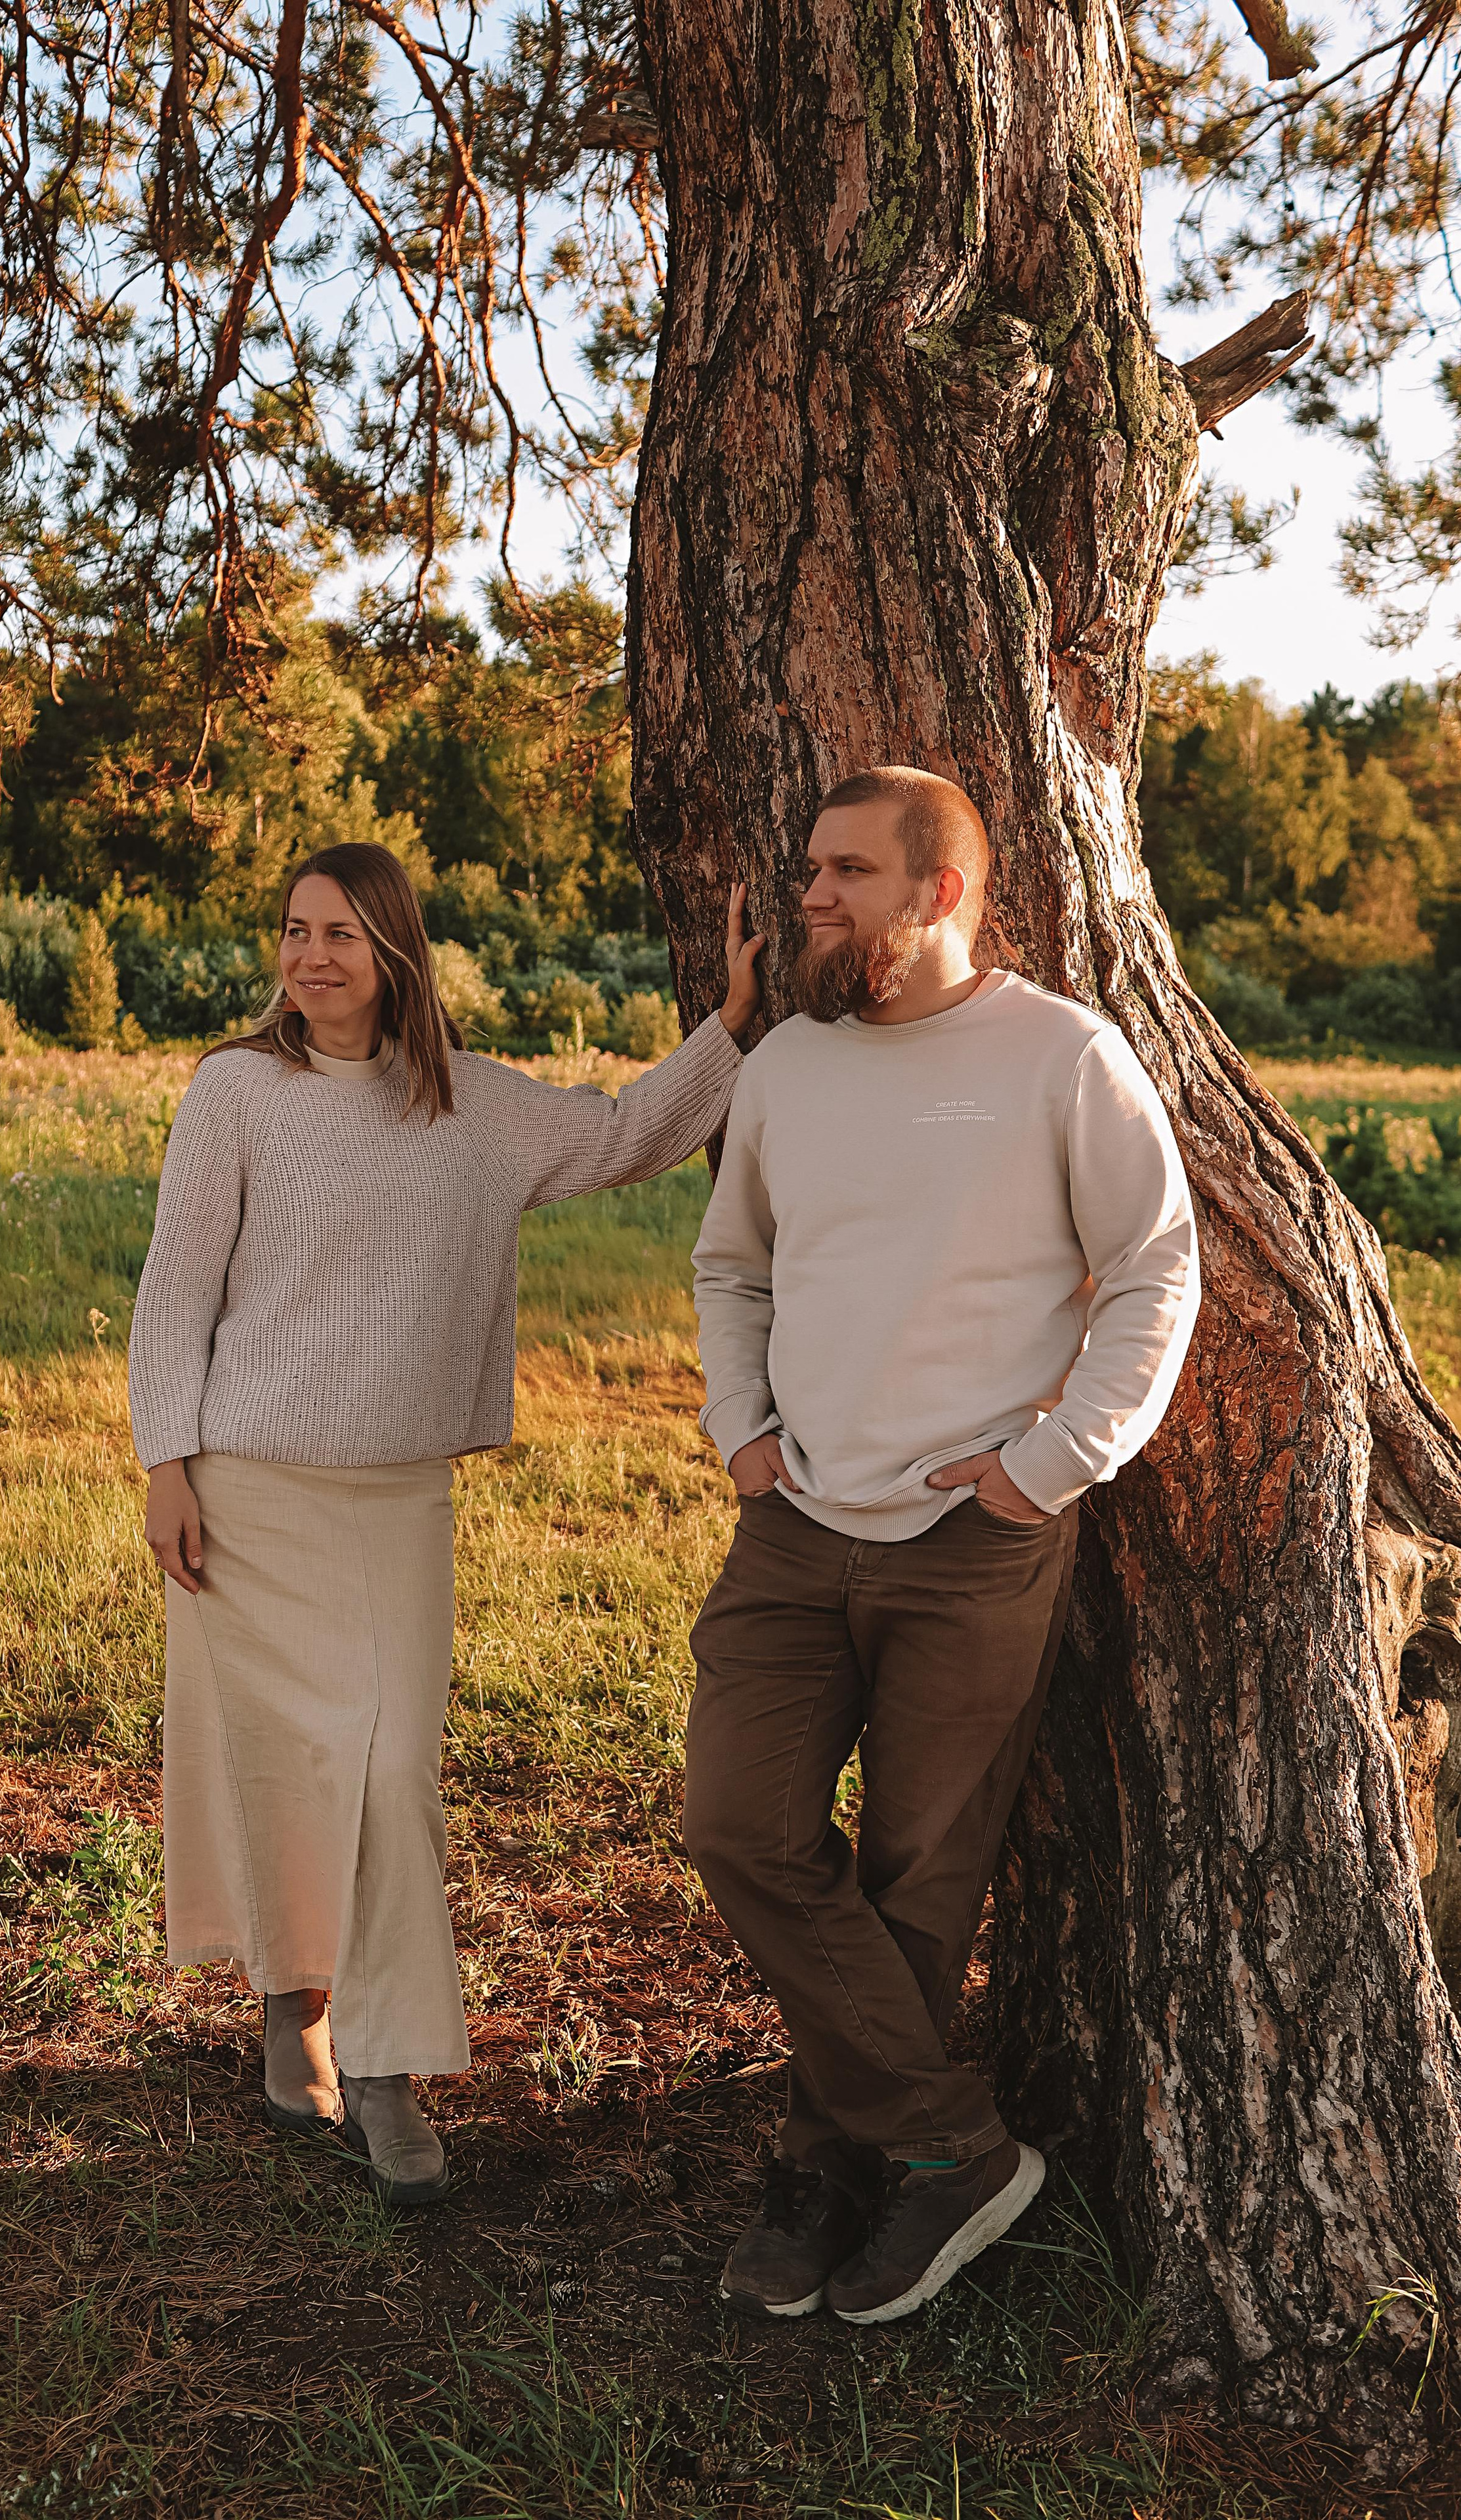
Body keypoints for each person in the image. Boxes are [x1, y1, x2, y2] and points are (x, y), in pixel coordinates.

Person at [128, 841, 761, 2202]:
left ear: (394, 951)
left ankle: (387, 2062)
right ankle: (298, 2019)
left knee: (390, 1772)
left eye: (340, 934)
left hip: (396, 1498)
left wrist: (733, 1023)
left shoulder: (473, 1106)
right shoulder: (235, 1091)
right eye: (295, 930)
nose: (311, 957)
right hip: (245, 1493)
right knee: (276, 1766)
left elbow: (625, 1132)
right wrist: (165, 1462)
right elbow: (176, 1287)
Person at [681, 766, 1198, 2322]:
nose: (809, 896)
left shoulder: (1059, 1057)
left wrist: (1046, 1468)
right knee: (737, 1827)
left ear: (941, 890)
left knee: (920, 1880)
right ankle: (951, 2150)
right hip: (792, 1524)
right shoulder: (787, 1067)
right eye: (810, 868)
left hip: (973, 1537)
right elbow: (732, 1267)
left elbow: (1152, 1270)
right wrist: (738, 1424)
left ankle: (834, 2168)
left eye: (845, 871)